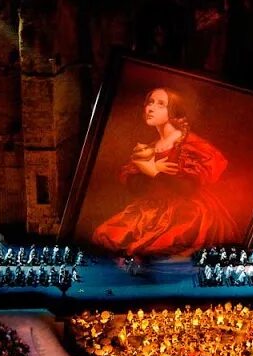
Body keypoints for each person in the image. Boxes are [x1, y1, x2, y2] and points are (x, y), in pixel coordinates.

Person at [91, 87, 239, 257]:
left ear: (173, 111)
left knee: (152, 252)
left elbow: (187, 189)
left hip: (189, 211)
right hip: (153, 210)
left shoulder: (190, 145)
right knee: (104, 234)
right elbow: (136, 187)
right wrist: (147, 171)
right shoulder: (152, 147)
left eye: (161, 104)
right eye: (150, 102)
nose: (151, 108)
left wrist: (154, 171)